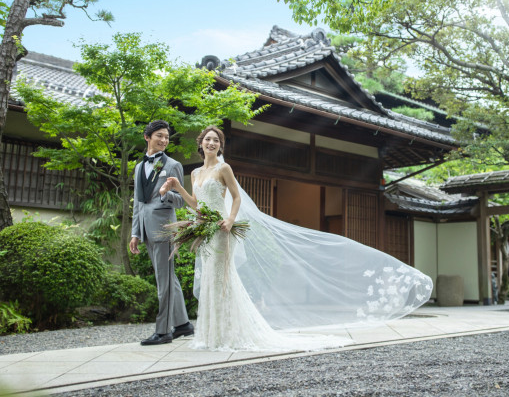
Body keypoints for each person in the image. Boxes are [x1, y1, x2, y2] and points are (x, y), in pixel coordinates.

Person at [162, 125, 434, 352]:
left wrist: (231, 220)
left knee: (223, 280)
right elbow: (197, 204)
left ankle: (227, 334)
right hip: (205, 230)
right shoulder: (196, 173)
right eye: (208, 139)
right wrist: (177, 188)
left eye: (216, 140)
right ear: (201, 144)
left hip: (222, 230)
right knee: (210, 279)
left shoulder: (224, 169)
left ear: (221, 146)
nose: (212, 143)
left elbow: (235, 197)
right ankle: (210, 335)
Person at [130, 120, 194, 346]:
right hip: (146, 229)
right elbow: (139, 202)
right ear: (147, 137)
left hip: (165, 229)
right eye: (159, 136)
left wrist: (166, 192)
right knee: (168, 278)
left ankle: (164, 331)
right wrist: (135, 233)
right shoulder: (139, 167)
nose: (164, 140)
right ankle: (183, 324)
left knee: (164, 282)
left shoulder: (173, 165)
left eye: (167, 137)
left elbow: (181, 201)